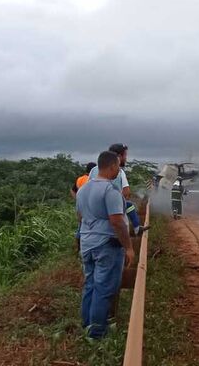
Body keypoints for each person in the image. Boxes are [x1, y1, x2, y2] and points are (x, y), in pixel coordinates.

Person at [76, 151, 135, 338]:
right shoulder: (111, 191)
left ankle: (87, 324)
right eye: (118, 166)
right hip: (106, 245)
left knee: (90, 285)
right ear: (111, 166)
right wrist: (129, 248)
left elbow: (80, 217)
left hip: (87, 243)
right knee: (104, 287)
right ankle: (97, 333)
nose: (119, 169)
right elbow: (117, 222)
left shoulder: (83, 189)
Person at [89, 143, 143, 234]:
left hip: (94, 223)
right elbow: (126, 192)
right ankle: (136, 227)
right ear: (118, 156)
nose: (126, 158)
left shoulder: (93, 170)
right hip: (114, 220)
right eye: (125, 155)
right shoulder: (120, 172)